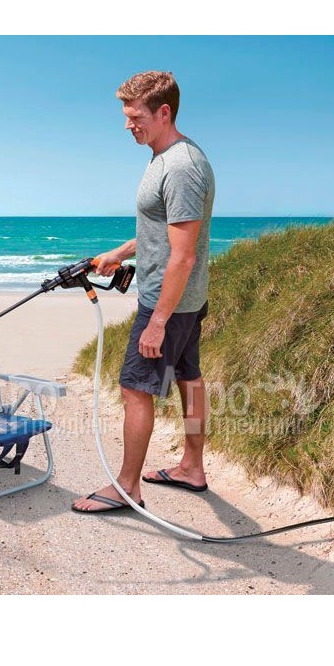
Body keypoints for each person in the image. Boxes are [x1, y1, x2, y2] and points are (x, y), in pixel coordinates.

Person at [72, 70, 215, 513]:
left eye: (136, 116)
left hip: (167, 303)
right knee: (190, 379)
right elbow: (163, 230)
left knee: (135, 389)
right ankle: (192, 468)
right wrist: (119, 252)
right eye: (126, 116)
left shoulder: (181, 167)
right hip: (186, 299)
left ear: (163, 112)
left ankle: (127, 487)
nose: (127, 125)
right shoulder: (163, 157)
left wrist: (157, 322)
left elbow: (183, 256)